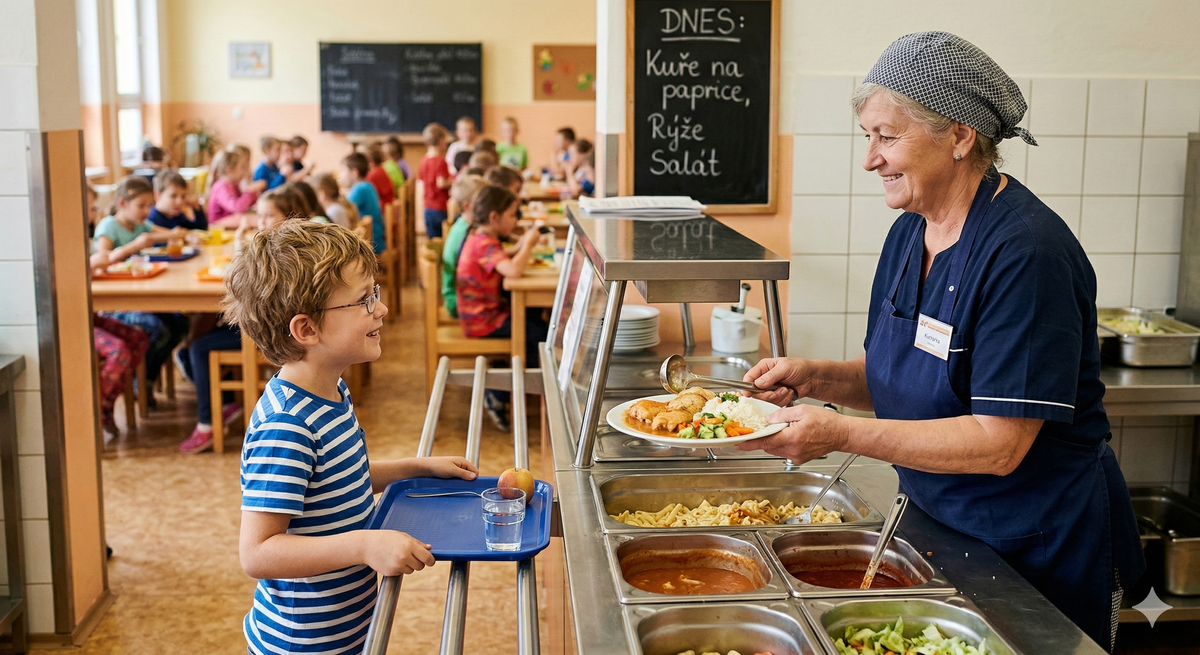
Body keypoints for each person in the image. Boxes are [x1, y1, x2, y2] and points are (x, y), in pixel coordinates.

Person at [738, 32, 1143, 652]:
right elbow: (895, 376)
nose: (870, 159)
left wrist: (836, 431)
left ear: (959, 136)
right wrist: (815, 378)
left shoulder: (1025, 253)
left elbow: (999, 444)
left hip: (1035, 547)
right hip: (939, 525)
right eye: (867, 137)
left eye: (887, 136)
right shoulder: (910, 233)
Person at [227, 220, 477, 654]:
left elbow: (337, 478)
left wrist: (416, 468)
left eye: (374, 295)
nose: (379, 309)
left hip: (346, 629)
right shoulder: (287, 425)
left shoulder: (330, 389)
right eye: (364, 301)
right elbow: (258, 552)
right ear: (307, 330)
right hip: (303, 643)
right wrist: (364, 544)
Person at [92, 176, 190, 406]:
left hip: (140, 295)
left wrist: (178, 233)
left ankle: (147, 377)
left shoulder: (139, 225)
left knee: (180, 323)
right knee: (159, 328)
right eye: (141, 205)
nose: (146, 211)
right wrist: (134, 246)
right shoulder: (108, 226)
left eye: (149, 205)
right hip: (115, 305)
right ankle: (138, 380)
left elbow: (161, 233)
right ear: (123, 203)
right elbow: (102, 260)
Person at [456, 186, 545, 428]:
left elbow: (505, 257)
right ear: (495, 217)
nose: (516, 220)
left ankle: (510, 387)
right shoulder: (484, 243)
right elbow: (513, 270)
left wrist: (522, 243)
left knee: (536, 322)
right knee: (540, 334)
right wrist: (528, 244)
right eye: (513, 214)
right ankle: (511, 393)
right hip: (483, 320)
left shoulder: (481, 237)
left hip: (485, 314)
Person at [441, 175, 488, 318]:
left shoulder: (465, 225)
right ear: (467, 206)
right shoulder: (466, 233)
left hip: (459, 296)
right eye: (483, 202)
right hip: (460, 301)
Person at [208, 148, 266, 224]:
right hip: (217, 225)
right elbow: (237, 208)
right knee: (250, 220)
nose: (245, 171)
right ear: (230, 170)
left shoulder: (234, 185)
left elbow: (246, 205)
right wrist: (250, 191)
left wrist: (255, 194)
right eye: (242, 167)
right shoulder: (220, 187)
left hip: (232, 220)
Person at [341, 152, 384, 253]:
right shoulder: (368, 185)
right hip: (377, 238)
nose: (341, 175)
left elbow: (345, 210)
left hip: (371, 243)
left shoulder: (359, 189)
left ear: (354, 172)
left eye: (343, 171)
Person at [419, 123, 453, 238]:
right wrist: (453, 181)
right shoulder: (440, 161)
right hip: (439, 207)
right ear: (441, 140)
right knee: (441, 239)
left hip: (427, 207)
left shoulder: (423, 160)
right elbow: (441, 183)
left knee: (432, 239)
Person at [365, 142, 396, 206]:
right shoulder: (380, 169)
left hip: (383, 208)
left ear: (371, 162)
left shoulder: (374, 174)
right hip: (388, 204)